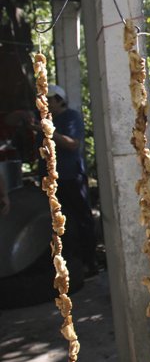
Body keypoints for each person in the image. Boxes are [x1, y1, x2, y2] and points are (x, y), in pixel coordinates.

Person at [39, 84, 98, 275]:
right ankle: (70, 263)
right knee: (61, 223)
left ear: (59, 100)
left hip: (71, 176)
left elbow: (73, 144)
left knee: (82, 219)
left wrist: (50, 133)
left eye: (49, 100)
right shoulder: (47, 119)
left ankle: (89, 262)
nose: (46, 103)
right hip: (52, 180)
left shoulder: (71, 117)